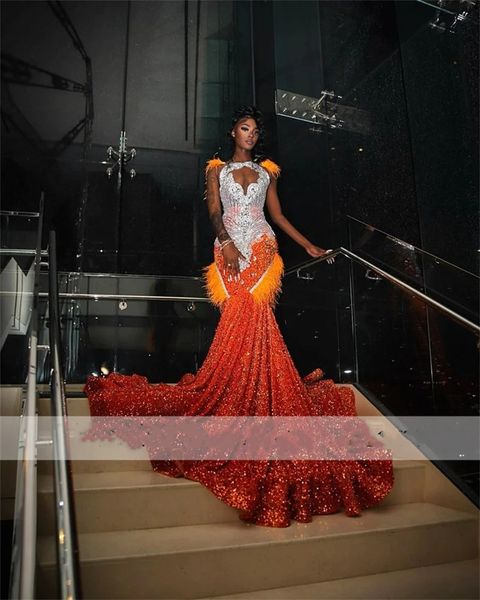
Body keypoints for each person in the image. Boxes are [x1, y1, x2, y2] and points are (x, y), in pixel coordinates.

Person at [84, 106, 394, 528]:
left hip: (265, 250)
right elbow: (214, 212)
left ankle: (258, 392)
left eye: (255, 130)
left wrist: (306, 246)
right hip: (228, 249)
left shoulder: (268, 171)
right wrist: (226, 242)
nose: (250, 135)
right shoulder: (216, 170)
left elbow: (277, 216)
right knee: (238, 321)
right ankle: (234, 390)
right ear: (233, 131)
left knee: (258, 320)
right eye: (244, 128)